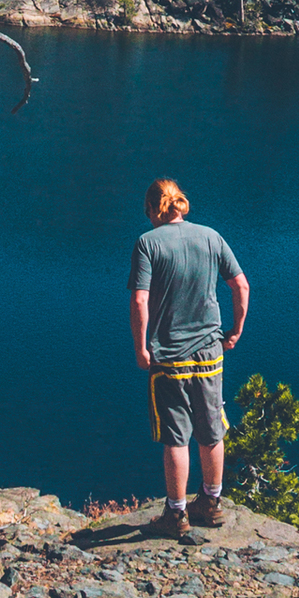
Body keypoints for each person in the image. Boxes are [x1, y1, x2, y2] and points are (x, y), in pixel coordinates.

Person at [129, 177, 248, 539]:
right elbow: (241, 285)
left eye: (147, 211)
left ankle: (176, 514)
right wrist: (236, 330)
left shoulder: (148, 243)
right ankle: (211, 504)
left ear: (152, 209)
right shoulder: (211, 236)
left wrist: (140, 348)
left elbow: (139, 300)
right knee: (212, 430)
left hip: (170, 356)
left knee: (176, 438)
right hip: (210, 352)